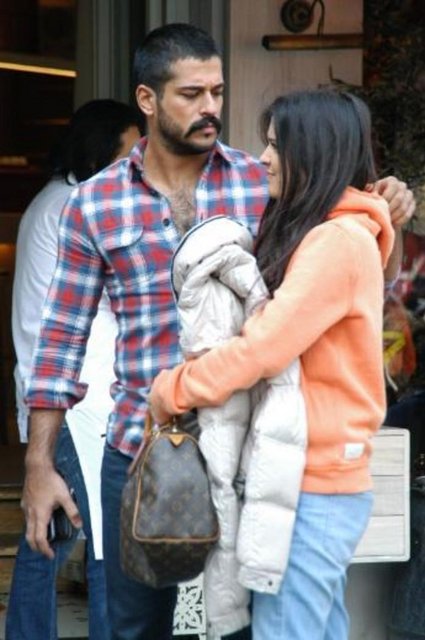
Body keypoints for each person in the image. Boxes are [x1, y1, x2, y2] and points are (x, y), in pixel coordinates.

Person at [22, 23, 414, 640]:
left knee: (245, 626)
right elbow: (59, 343)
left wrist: (386, 210)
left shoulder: (267, 182)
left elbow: (347, 273)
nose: (210, 107)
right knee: (130, 628)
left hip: (251, 453)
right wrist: (39, 466)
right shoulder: (93, 204)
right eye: (191, 94)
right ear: (148, 100)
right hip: (144, 446)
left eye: (218, 91)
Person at [148, 87, 400, 639]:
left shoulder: (337, 241)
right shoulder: (329, 233)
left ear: (314, 150)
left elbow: (262, 349)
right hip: (310, 479)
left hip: (313, 484)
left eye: (275, 146)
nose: (263, 158)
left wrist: (174, 389)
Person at [7, 99, 142, 640]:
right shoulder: (74, 208)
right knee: (107, 541)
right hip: (79, 400)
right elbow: (128, 288)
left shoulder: (53, 200)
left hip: (60, 391)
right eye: (129, 154)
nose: (137, 166)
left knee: (49, 532)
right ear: (98, 153)